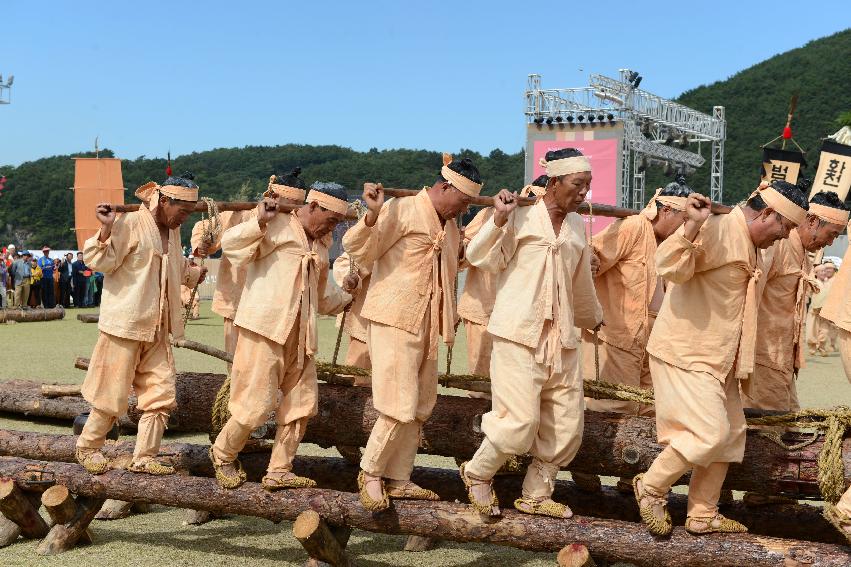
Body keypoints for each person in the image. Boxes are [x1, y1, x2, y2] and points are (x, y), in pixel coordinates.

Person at [633, 180, 806, 537]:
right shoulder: (716, 227)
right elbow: (669, 268)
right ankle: (650, 487)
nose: (785, 236)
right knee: (709, 433)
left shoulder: (751, 240)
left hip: (720, 359)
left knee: (731, 435)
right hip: (686, 353)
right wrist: (692, 226)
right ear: (768, 213)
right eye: (785, 227)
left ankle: (702, 513)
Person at [460, 148, 602, 519]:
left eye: (587, 186)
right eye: (577, 185)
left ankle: (537, 494)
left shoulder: (574, 227)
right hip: (518, 337)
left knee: (568, 422)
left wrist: (592, 317)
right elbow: (478, 256)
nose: (584, 193)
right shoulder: (520, 216)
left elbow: (580, 280)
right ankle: (477, 472)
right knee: (518, 424)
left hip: (563, 340)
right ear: (554, 182)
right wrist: (497, 219)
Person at [343, 154, 479, 511]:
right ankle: (370, 472)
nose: (463, 209)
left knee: (421, 405)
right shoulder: (401, 209)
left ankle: (400, 477)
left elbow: (454, 268)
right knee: (397, 402)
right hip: (393, 316)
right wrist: (372, 215)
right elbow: (361, 249)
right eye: (462, 201)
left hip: (427, 323)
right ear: (444, 187)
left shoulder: (450, 227)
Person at [209, 182, 353, 489]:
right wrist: (259, 220)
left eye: (337, 223)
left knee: (302, 405)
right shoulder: (276, 224)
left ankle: (279, 470)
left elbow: (323, 295)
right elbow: (232, 246)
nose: (332, 227)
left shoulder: (322, 244)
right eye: (330, 220)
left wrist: (348, 295)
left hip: (301, 337)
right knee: (254, 404)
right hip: (264, 329)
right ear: (313, 207)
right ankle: (222, 454)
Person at [75, 173, 206, 475]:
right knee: (111, 393)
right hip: (125, 324)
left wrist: (194, 270)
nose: (184, 219)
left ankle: (145, 456)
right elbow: (98, 260)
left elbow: (178, 269)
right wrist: (106, 227)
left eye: (189, 213)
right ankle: (88, 446)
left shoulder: (173, 232)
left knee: (161, 395)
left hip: (160, 327)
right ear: (164, 201)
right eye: (182, 212)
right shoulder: (130, 222)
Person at [573, 178, 692, 494]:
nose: (684, 227)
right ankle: (584, 469)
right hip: (617, 335)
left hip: (652, 338)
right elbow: (594, 253)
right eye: (682, 219)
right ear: (665, 210)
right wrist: (591, 258)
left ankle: (631, 476)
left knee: (650, 408)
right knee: (609, 406)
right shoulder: (633, 227)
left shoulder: (670, 241)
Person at [743, 191, 849, 411]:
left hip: (783, 360)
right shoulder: (778, 243)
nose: (829, 243)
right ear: (811, 221)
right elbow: (750, 296)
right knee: (766, 432)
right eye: (830, 235)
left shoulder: (802, 251)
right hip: (762, 359)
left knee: (787, 426)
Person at [191, 169, 308, 367]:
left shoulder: (299, 226)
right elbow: (203, 228)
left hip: (275, 309)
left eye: (296, 206)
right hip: (238, 302)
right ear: (273, 196)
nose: (291, 210)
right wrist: (202, 244)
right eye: (288, 203)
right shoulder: (242, 215)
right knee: (238, 365)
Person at [457, 175, 550, 381]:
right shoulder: (490, 213)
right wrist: (456, 246)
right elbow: (464, 256)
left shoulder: (549, 223)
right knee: (482, 380)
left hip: (523, 315)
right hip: (483, 310)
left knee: (519, 379)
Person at [331, 252, 372, 373]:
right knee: (359, 381)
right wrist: (351, 278)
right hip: (366, 327)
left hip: (405, 329)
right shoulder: (385, 235)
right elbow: (345, 263)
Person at [808, 261, 838, 355]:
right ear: (816, 273)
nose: (824, 272)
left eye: (825, 271)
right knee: (812, 331)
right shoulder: (813, 282)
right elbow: (808, 294)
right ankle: (812, 348)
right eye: (822, 271)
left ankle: (822, 347)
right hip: (814, 312)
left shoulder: (828, 282)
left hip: (825, 312)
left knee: (824, 331)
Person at [180, 255, 201, 320]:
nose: (190, 260)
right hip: (182, 285)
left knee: (195, 301)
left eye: (191, 259)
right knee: (181, 301)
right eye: (189, 259)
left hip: (191, 285)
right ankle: (183, 315)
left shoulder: (196, 267)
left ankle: (195, 315)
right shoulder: (182, 266)